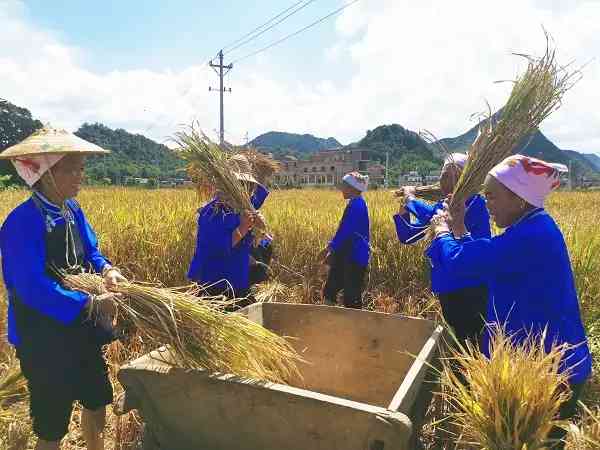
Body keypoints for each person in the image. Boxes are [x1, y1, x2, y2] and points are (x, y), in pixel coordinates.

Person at [428, 154, 592, 449]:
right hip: (539, 368)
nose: (486, 204)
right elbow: (485, 258)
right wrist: (461, 229)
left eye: (491, 197)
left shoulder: (532, 235)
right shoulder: (530, 228)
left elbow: (460, 263)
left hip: (550, 375)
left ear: (518, 199)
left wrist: (442, 231)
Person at [0, 128, 126, 450]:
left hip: (80, 326)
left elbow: (92, 251)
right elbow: (32, 287)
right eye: (73, 168)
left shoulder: (72, 211)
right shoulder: (21, 223)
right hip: (43, 335)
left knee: (96, 399)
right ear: (46, 173)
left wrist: (107, 270)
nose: (80, 175)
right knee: (52, 422)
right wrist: (91, 304)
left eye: (82, 168)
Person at [394, 153, 491, 346]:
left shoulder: (474, 203)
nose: (443, 181)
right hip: (447, 284)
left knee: (471, 340)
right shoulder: (442, 204)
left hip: (469, 286)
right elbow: (409, 236)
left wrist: (411, 198)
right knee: (458, 336)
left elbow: (434, 215)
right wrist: (403, 213)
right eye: (443, 175)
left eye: (449, 175)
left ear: (465, 178)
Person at [187, 154, 268, 307]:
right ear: (226, 184)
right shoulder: (212, 212)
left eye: (245, 184)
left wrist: (259, 225)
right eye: (238, 184)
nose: (243, 189)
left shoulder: (241, 207)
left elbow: (258, 200)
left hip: (239, 282)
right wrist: (243, 228)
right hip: (216, 285)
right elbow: (218, 247)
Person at [320, 172, 370, 308]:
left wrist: (329, 248)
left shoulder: (357, 205)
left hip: (354, 256)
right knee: (331, 289)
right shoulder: (355, 203)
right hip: (347, 254)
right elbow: (345, 231)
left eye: (344, 186)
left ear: (352, 188)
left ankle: (353, 324)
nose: (342, 189)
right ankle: (329, 318)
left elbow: (345, 230)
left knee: (351, 296)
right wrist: (333, 252)